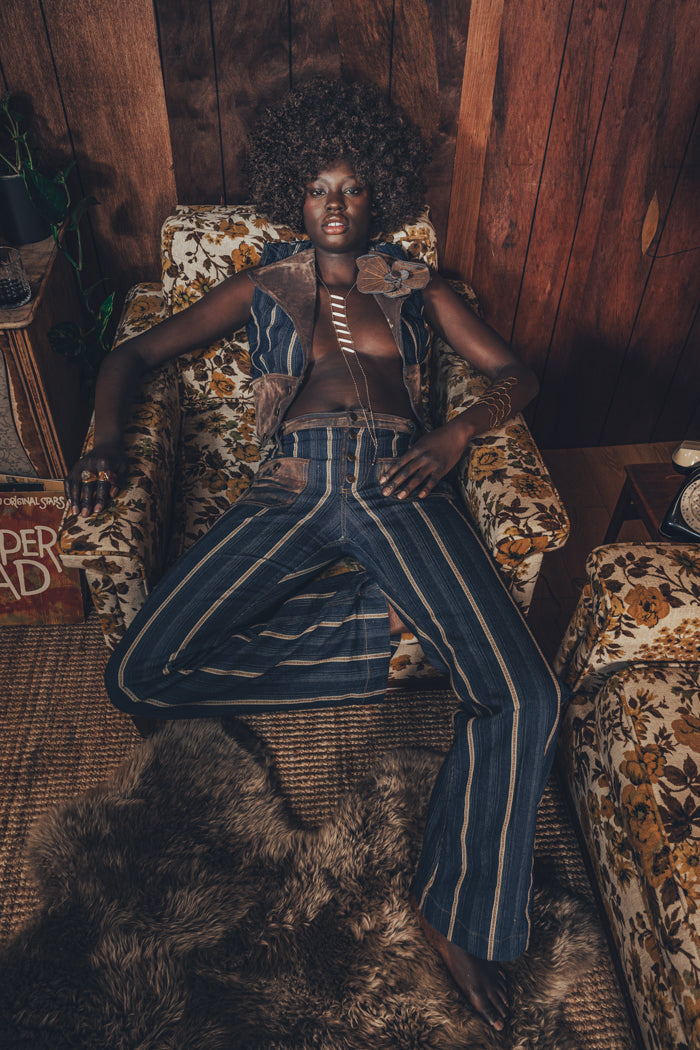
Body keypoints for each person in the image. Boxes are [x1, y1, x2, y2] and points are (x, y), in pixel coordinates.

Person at [66, 79, 566, 1031]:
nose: (335, 205)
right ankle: (375, 631)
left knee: (525, 692)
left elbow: (518, 373)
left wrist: (454, 437)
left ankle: (460, 914)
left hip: (398, 483)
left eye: (352, 189)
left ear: (377, 192)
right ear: (294, 193)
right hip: (289, 488)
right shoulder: (263, 284)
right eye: (318, 189)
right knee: (137, 672)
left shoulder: (418, 288)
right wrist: (99, 442)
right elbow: (130, 357)